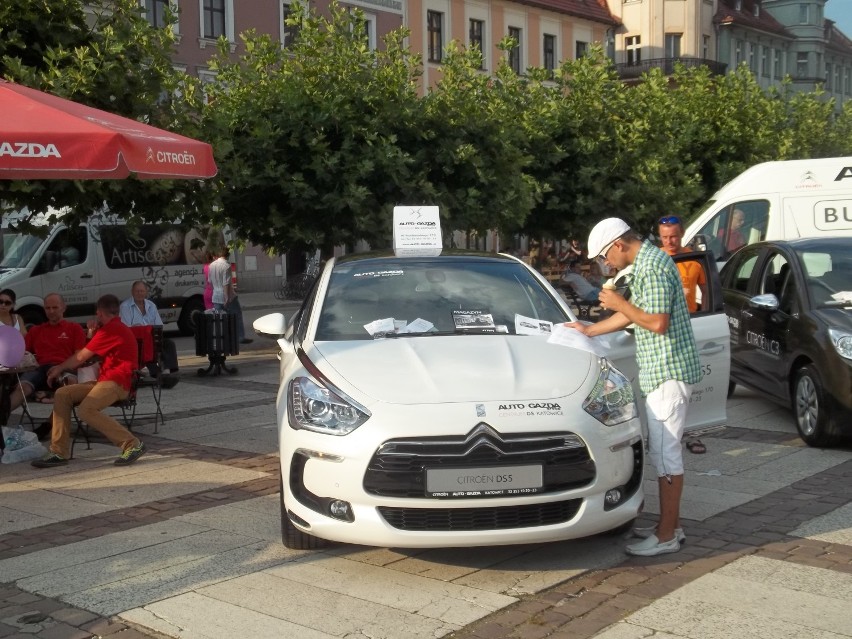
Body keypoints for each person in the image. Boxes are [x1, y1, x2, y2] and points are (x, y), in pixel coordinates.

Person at [564, 218, 701, 556]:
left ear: (618, 245)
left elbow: (656, 322)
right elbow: (636, 315)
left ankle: (667, 535)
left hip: (668, 373)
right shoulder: (649, 263)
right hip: (663, 372)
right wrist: (588, 331)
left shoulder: (651, 267)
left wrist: (617, 303)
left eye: (604, 257)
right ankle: (672, 527)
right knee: (664, 452)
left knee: (666, 455)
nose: (605, 264)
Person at [31, 294, 146, 468]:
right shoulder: (112, 328)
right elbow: (92, 353)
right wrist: (93, 332)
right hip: (106, 380)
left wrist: (59, 368)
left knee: (86, 410)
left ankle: (132, 444)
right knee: (62, 394)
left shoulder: (111, 330)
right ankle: (58, 452)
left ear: (99, 312)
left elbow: (81, 356)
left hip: (118, 382)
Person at [7, 294, 86, 439]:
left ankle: (48, 425)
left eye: (55, 307)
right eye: (48, 308)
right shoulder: (36, 330)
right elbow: (21, 350)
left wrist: (61, 367)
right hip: (40, 368)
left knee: (70, 386)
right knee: (22, 387)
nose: (51, 311)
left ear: (63, 308)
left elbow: (79, 356)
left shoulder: (74, 328)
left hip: (63, 367)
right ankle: (2, 416)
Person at [119, 281, 180, 383]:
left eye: (142, 291)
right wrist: (144, 331)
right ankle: (154, 371)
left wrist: (149, 331)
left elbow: (159, 325)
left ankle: (167, 371)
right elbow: (126, 328)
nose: (139, 293)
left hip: (151, 338)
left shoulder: (151, 305)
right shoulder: (125, 307)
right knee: (147, 345)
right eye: (137, 291)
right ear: (132, 292)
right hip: (136, 340)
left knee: (169, 343)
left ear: (146, 292)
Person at [658, 216, 708, 314]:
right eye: (664, 237)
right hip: (663, 319)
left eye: (673, 236)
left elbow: (707, 292)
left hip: (689, 318)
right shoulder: (655, 259)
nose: (669, 241)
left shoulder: (694, 259)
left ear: (682, 233)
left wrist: (704, 314)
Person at [207, 248, 252, 344]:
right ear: (227, 255)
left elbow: (210, 281)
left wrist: (215, 291)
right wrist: (227, 297)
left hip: (216, 296)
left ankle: (221, 338)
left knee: (219, 319)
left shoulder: (211, 266)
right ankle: (240, 337)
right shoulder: (226, 266)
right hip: (228, 296)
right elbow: (226, 283)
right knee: (237, 315)